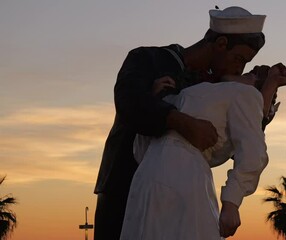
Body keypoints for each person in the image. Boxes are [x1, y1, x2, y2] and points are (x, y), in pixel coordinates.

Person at [94, 6, 269, 240]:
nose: (240, 69)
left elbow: (241, 142)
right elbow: (129, 104)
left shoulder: (215, 89)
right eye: (238, 59)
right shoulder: (147, 59)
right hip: (125, 184)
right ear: (220, 44)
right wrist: (179, 121)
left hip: (181, 189)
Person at [120, 64, 286, 240]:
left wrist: (154, 100)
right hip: (176, 171)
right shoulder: (230, 93)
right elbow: (253, 154)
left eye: (253, 74)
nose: (247, 72)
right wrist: (231, 203)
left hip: (150, 174)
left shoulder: (226, 93)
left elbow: (140, 147)